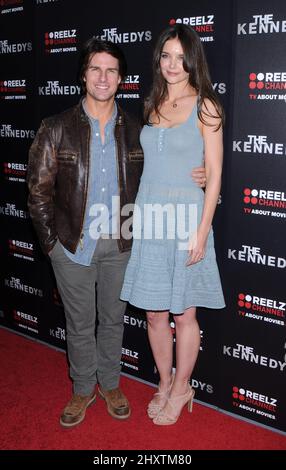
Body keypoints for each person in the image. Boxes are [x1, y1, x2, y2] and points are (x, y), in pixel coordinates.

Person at [27, 36, 206, 428]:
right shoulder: (55, 128)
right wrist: (52, 244)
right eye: (95, 69)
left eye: (111, 70)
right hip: (73, 245)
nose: (103, 77)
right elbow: (38, 192)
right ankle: (81, 389)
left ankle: (109, 384)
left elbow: (167, 167)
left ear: (121, 78)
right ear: (83, 76)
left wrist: (203, 175)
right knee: (78, 323)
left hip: (123, 243)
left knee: (112, 321)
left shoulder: (138, 129)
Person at [120, 24, 225, 426]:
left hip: (186, 220)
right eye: (166, 55)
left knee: (184, 315)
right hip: (150, 216)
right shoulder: (152, 102)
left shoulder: (207, 106)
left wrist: (201, 232)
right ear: (158, 59)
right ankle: (163, 381)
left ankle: (183, 388)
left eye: (181, 57)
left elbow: (214, 174)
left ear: (193, 60)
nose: (172, 64)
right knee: (153, 314)